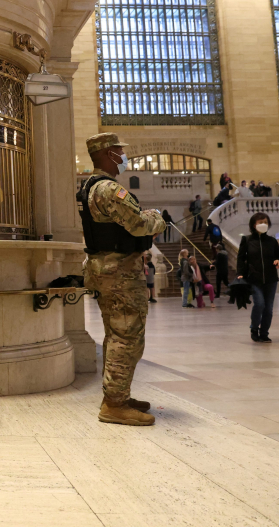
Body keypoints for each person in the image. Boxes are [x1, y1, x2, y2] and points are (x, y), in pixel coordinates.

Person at [78, 132, 165, 426]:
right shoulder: (107, 189)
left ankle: (118, 395)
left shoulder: (92, 186)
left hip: (109, 270)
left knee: (118, 334)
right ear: (106, 155)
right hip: (119, 273)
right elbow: (139, 224)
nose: (122, 156)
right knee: (126, 336)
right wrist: (157, 218)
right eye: (118, 151)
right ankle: (114, 404)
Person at [236, 212, 279, 343]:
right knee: (259, 304)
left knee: (268, 308)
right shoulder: (247, 240)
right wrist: (240, 273)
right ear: (254, 224)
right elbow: (241, 258)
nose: (263, 224)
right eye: (260, 222)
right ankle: (254, 328)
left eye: (265, 222)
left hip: (271, 279)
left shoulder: (272, 241)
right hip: (253, 278)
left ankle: (264, 333)